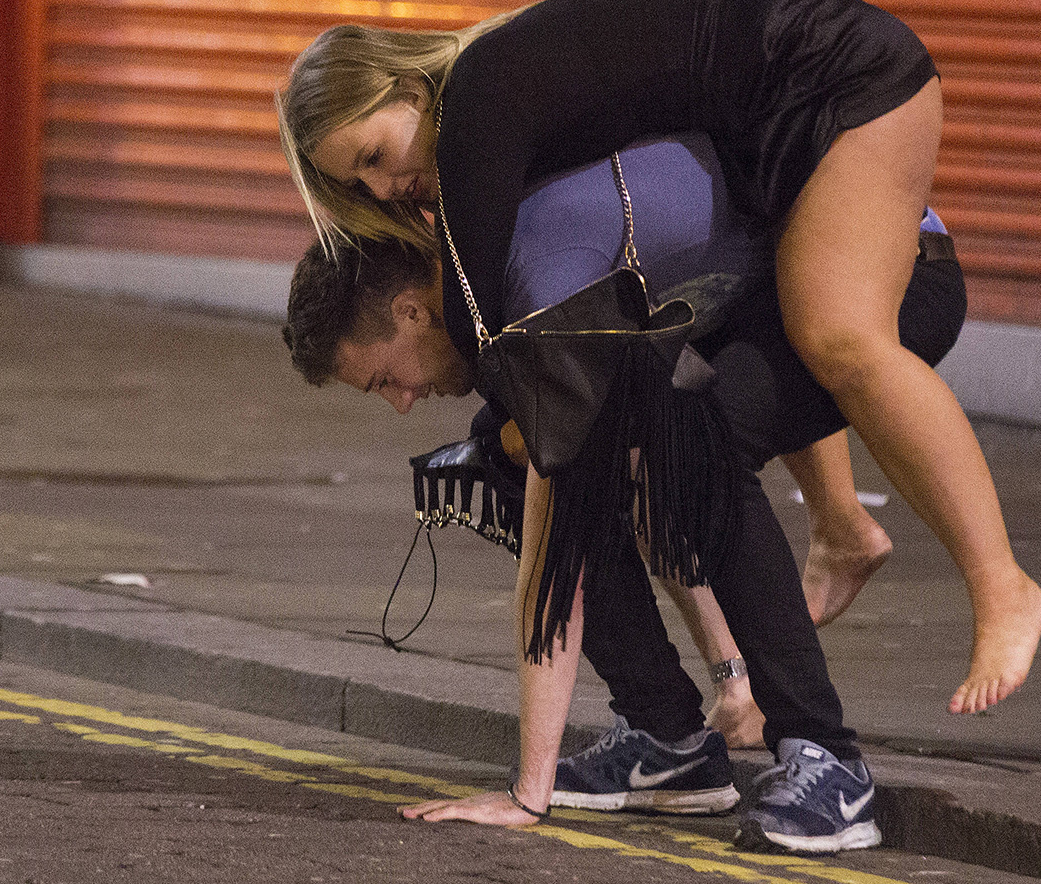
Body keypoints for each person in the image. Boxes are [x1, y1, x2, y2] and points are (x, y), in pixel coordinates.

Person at [281, 134, 971, 850]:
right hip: (771, 289)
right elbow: (616, 485)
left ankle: (827, 759)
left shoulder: (524, 290)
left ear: (412, 312)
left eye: (385, 378)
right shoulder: (483, 293)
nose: (402, 403)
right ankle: (666, 739)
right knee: (521, 446)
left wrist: (530, 791)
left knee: (691, 435)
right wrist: (727, 673)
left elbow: (554, 560)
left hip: (893, 268)